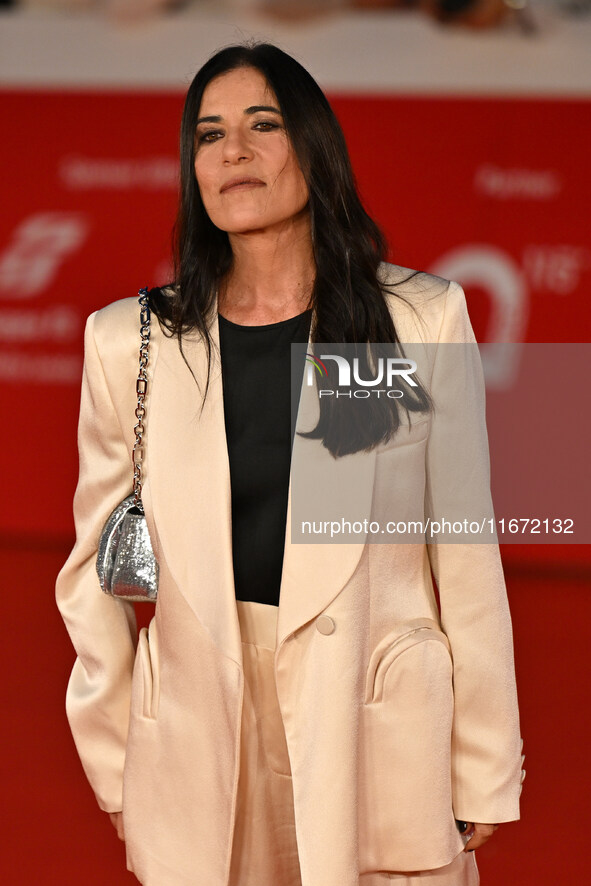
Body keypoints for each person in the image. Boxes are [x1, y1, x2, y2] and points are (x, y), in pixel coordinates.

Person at [56, 42, 523, 886]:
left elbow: (463, 552)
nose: (232, 151)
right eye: (208, 134)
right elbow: (93, 574)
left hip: (370, 713)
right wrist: (114, 749)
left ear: (313, 146)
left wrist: (483, 757)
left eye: (260, 124)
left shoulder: (411, 320)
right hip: (200, 727)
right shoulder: (132, 340)